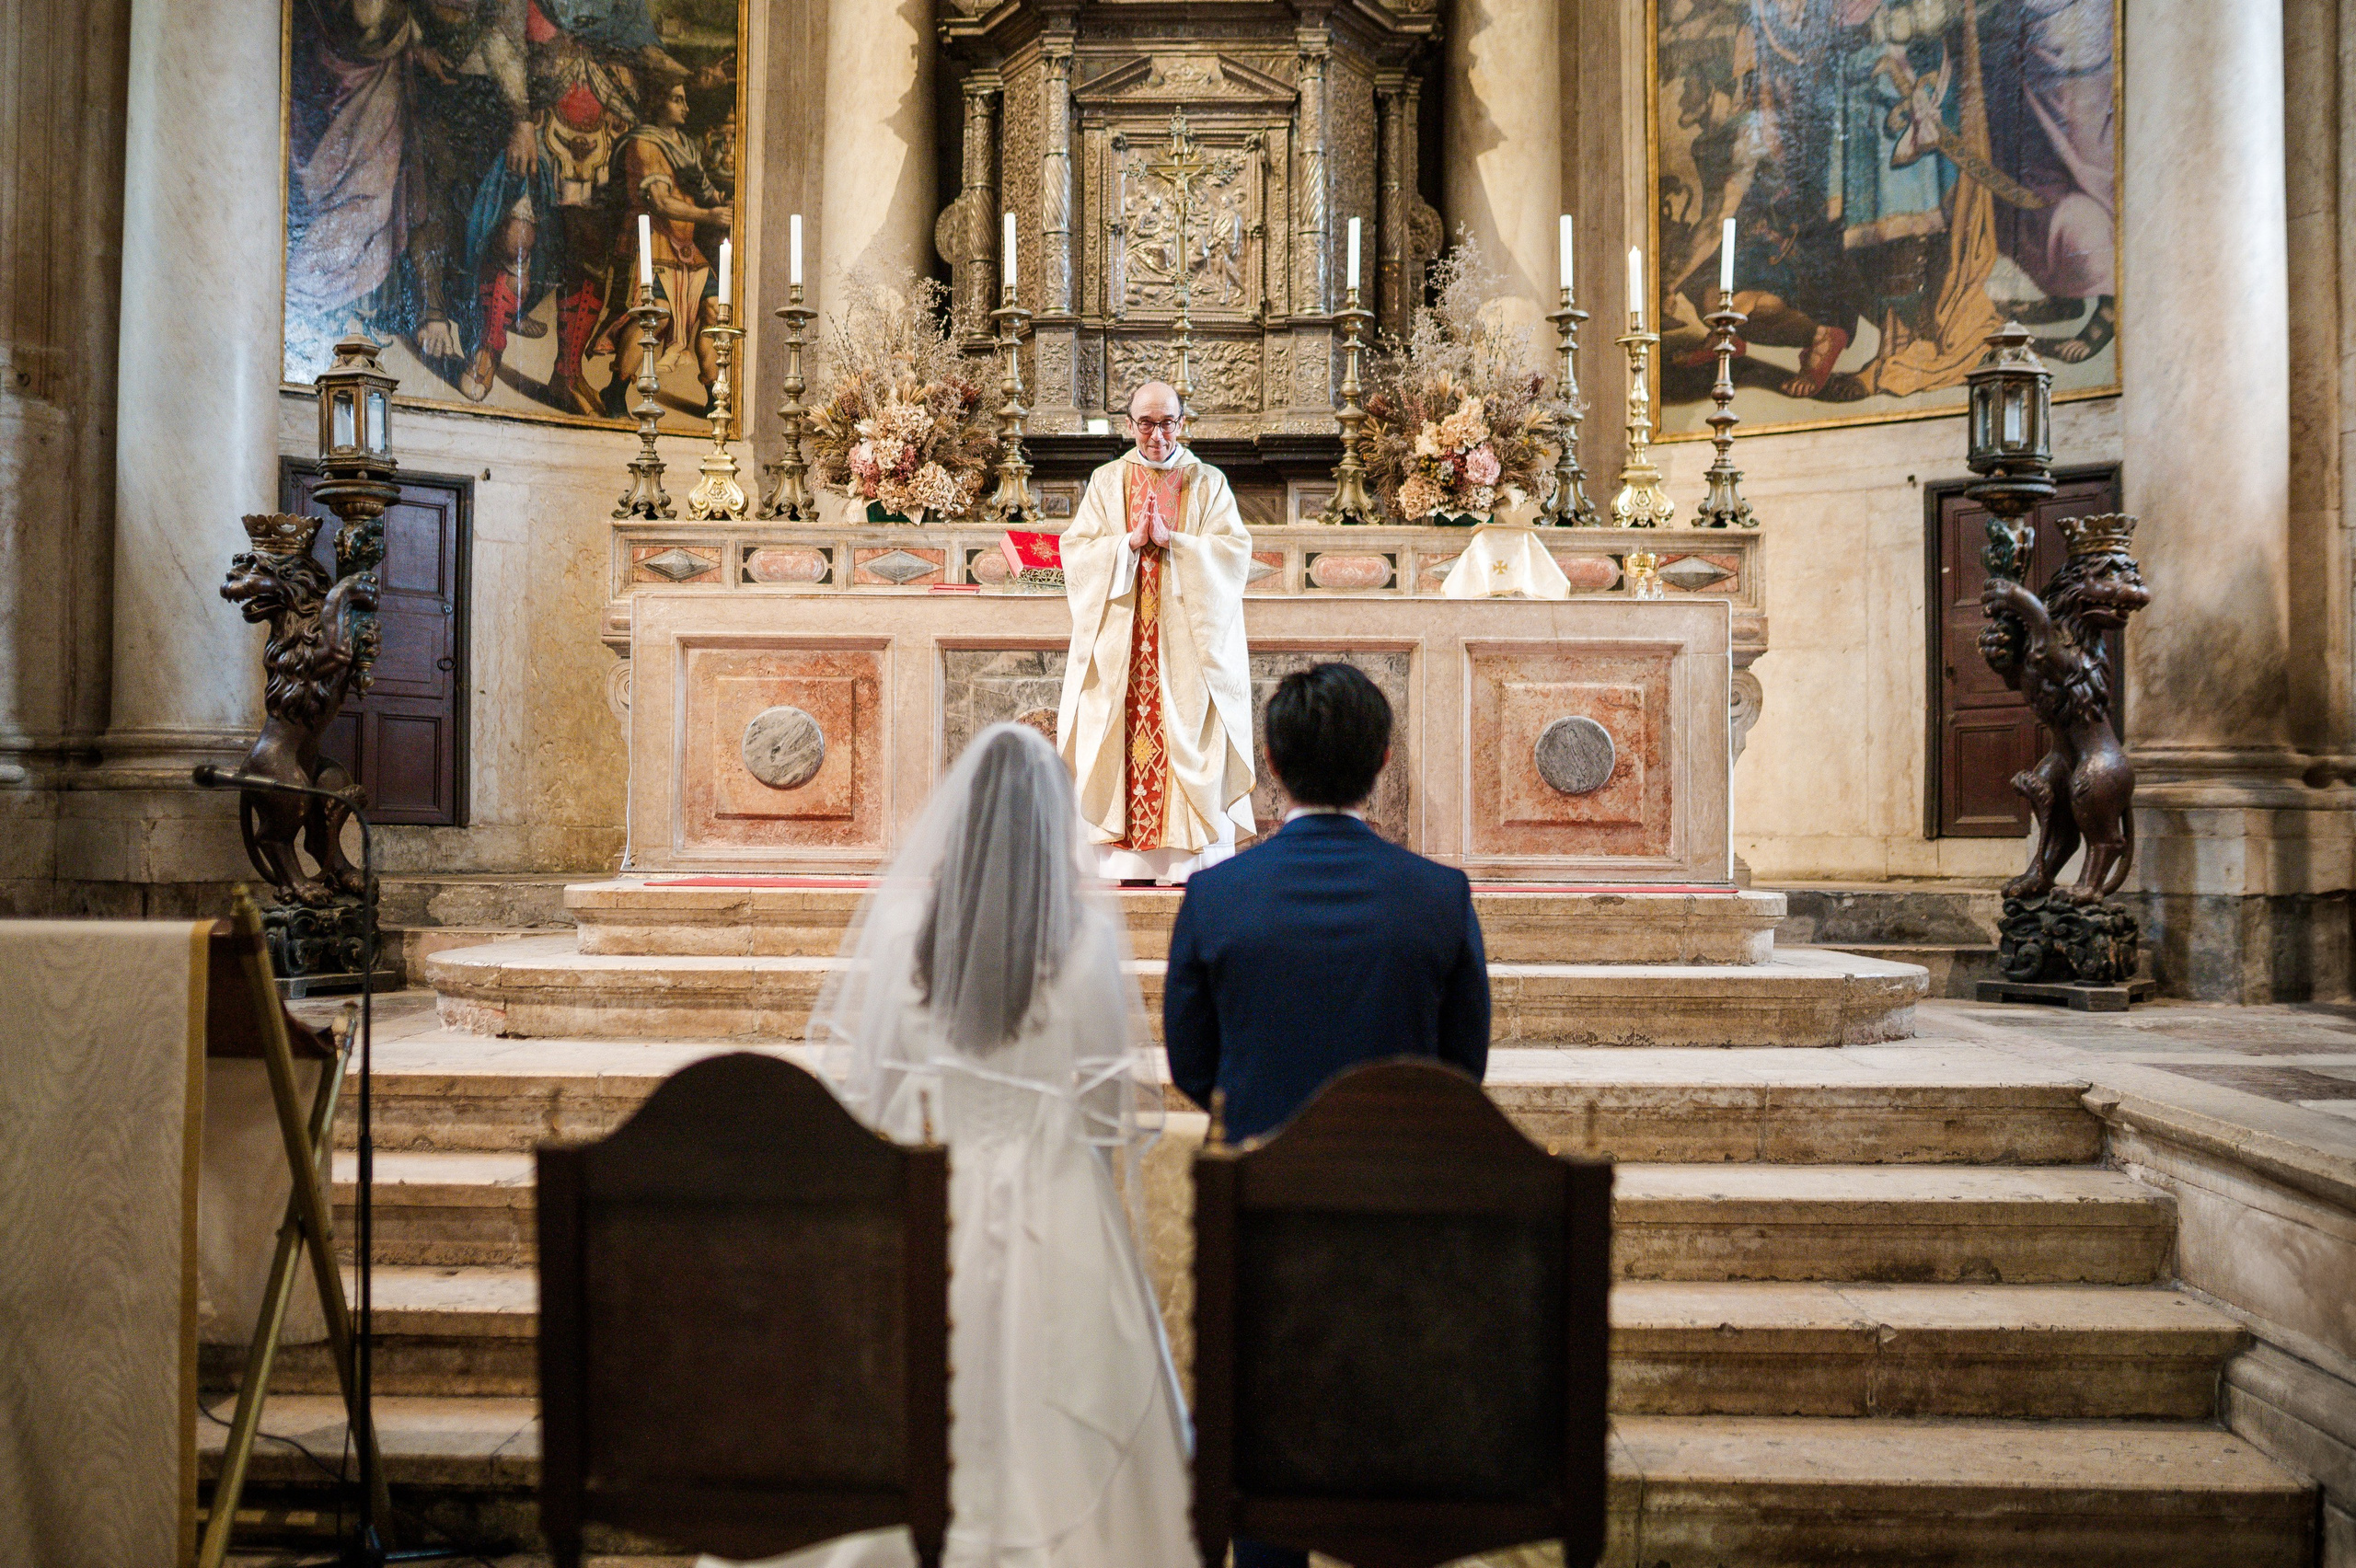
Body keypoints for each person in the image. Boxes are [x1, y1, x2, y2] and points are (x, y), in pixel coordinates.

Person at [703, 723, 1194, 1568]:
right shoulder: (1083, 946)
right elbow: (1110, 1110)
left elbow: (871, 1096)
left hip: (931, 1191)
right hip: (1056, 1201)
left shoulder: (901, 936)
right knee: (1066, 1394)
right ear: (1052, 829)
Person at [1162, 665, 1490, 1568]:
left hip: (1261, 1196)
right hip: (1398, 1204)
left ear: (1268, 760)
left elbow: (1193, 1062)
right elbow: (1463, 1068)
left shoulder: (1217, 895)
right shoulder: (1440, 895)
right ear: (1385, 760)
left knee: (1268, 1414)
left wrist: (1271, 1122)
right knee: (1396, 1416)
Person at [1056, 380, 1256, 885]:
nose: (1157, 435)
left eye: (1168, 423)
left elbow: (1234, 555)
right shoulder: (1106, 482)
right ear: (1129, 425)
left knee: (1185, 733)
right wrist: (1127, 543)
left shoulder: (1208, 483)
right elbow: (1077, 552)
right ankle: (1124, 861)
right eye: (1146, 423)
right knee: (1118, 737)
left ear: (1182, 424)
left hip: (1186, 649)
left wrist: (1178, 544)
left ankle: (1189, 861)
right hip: (1124, 644)